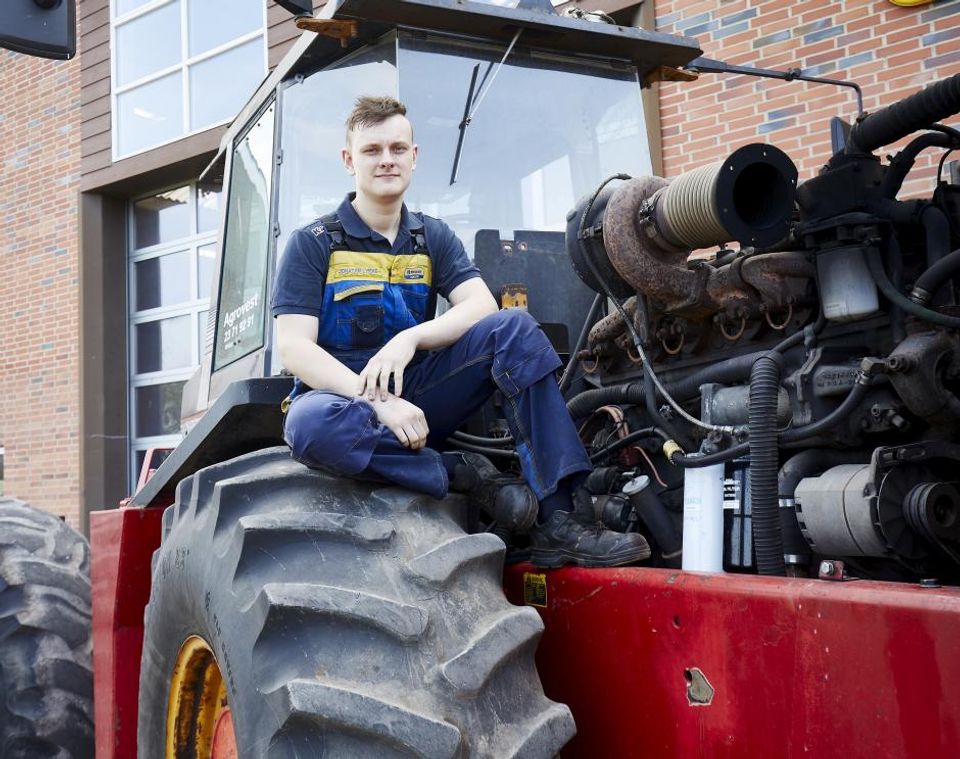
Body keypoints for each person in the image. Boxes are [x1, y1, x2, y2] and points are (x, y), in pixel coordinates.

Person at [270, 95, 649, 568]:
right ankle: (462, 473)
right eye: (371, 150)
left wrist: (411, 338)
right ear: (349, 160)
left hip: (420, 392)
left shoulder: (432, 237)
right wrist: (377, 402)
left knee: (513, 328)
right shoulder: (314, 243)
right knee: (307, 426)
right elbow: (294, 348)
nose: (386, 159)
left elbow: (480, 304)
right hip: (343, 402)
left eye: (396, 148)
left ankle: (560, 519)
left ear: (414, 156)